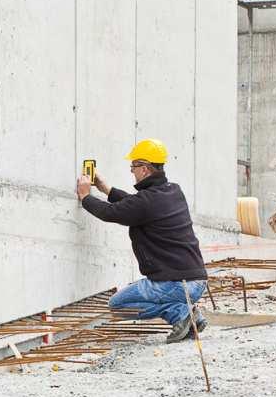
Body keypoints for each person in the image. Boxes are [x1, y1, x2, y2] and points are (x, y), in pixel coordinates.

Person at [76, 138, 208, 343]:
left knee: (118, 306)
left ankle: (181, 314)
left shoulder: (147, 201)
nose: (132, 171)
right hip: (196, 283)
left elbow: (112, 212)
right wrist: (107, 190)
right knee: (132, 300)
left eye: (134, 166)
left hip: (176, 285)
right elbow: (135, 205)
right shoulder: (173, 191)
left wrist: (85, 197)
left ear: (145, 169)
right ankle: (188, 316)